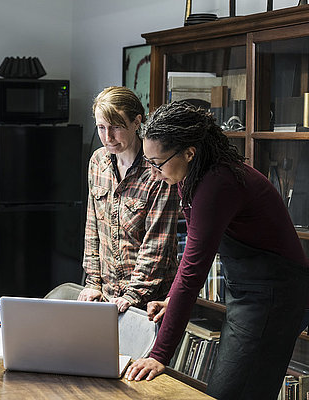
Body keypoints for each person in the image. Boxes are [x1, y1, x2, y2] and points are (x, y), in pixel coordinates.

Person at [126, 101, 309, 400]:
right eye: (149, 162)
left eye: (158, 163)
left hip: (275, 296)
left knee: (232, 393)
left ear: (189, 152)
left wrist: (160, 355)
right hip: (250, 291)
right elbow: (192, 257)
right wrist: (171, 300)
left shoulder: (217, 184)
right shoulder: (194, 176)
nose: (154, 172)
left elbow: (193, 271)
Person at [46, 87, 179, 312]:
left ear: (137, 122)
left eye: (116, 127)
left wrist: (132, 294)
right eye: (101, 127)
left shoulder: (157, 170)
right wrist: (92, 282)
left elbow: (157, 243)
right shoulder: (98, 162)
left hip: (149, 299)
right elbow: (92, 228)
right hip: (105, 295)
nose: (108, 137)